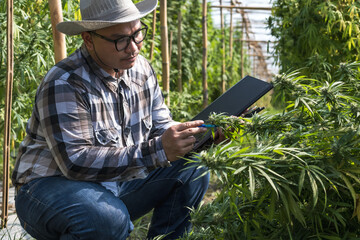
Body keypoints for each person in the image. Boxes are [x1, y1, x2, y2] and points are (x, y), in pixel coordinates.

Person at [11, 0, 221, 239]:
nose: (133, 48)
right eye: (120, 39)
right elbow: (75, 162)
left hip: (116, 182)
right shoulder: (65, 82)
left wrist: (199, 135)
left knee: (193, 166)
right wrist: (159, 149)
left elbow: (161, 127)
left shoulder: (141, 70)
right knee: (104, 219)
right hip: (48, 189)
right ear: (88, 40)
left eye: (137, 34)